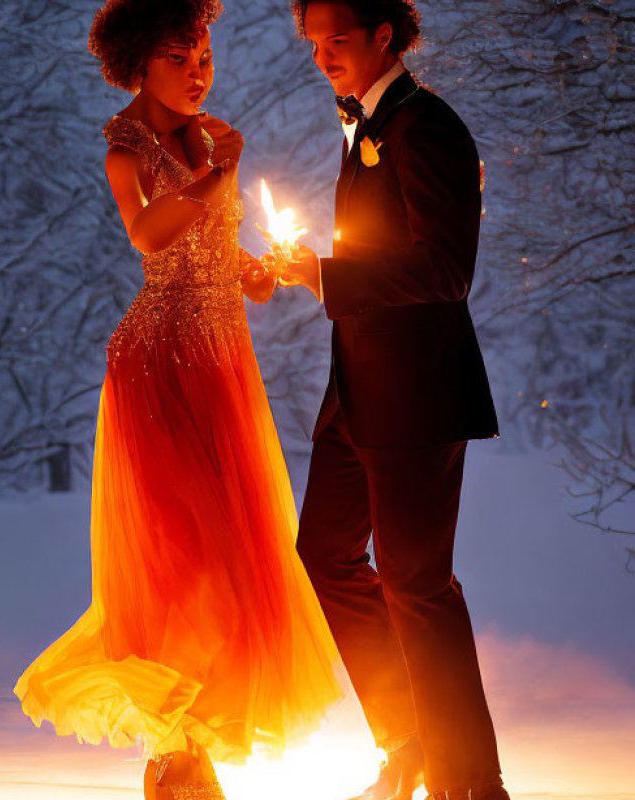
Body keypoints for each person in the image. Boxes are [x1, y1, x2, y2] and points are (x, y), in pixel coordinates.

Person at [13, 1, 343, 798]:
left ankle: (184, 756)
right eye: (179, 57)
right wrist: (219, 175)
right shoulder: (127, 148)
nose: (199, 71)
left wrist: (254, 272)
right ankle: (176, 757)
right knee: (184, 564)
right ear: (138, 63)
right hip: (161, 365)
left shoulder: (204, 137)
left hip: (221, 361)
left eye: (204, 56)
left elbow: (205, 244)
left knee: (236, 562)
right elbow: (149, 236)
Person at [279, 1, 510, 799]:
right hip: (355, 394)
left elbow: (448, 272)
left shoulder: (429, 127)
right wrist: (310, 271)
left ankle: (472, 784)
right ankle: (410, 740)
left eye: (335, 40)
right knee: (326, 557)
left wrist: (327, 276)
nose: (322, 57)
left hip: (416, 400)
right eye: (313, 43)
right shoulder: (365, 124)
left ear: (384, 34)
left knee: (420, 586)